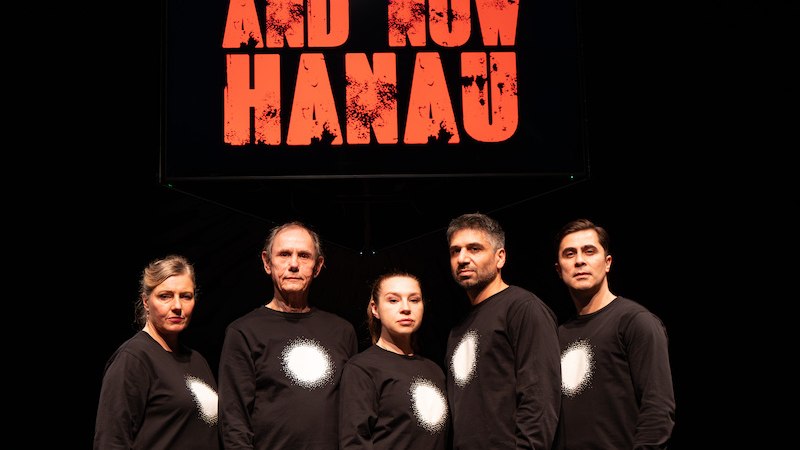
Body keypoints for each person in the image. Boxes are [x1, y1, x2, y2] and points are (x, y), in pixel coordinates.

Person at [218, 221, 358, 449]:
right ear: (267, 262)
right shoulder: (243, 331)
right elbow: (234, 419)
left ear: (318, 265)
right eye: (284, 254)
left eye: (304, 256)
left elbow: (353, 414)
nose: (294, 264)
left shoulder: (342, 332)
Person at [552, 218, 676, 449]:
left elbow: (658, 408)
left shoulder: (635, 322)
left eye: (589, 251)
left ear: (607, 262)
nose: (580, 261)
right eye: (569, 254)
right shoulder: (557, 335)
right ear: (559, 270)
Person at [444, 212, 561, 450]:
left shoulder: (522, 308)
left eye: (474, 249)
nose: (462, 258)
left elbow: (540, 396)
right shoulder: (458, 329)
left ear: (500, 258)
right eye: (456, 251)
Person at [93, 254, 220, 450]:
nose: (177, 306)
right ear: (146, 302)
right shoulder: (134, 358)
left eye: (186, 296)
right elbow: (110, 441)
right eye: (165, 296)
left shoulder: (198, 361)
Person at [339, 271, 450, 450]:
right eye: (393, 300)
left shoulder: (435, 370)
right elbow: (355, 441)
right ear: (375, 309)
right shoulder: (362, 368)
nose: (406, 308)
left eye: (414, 300)